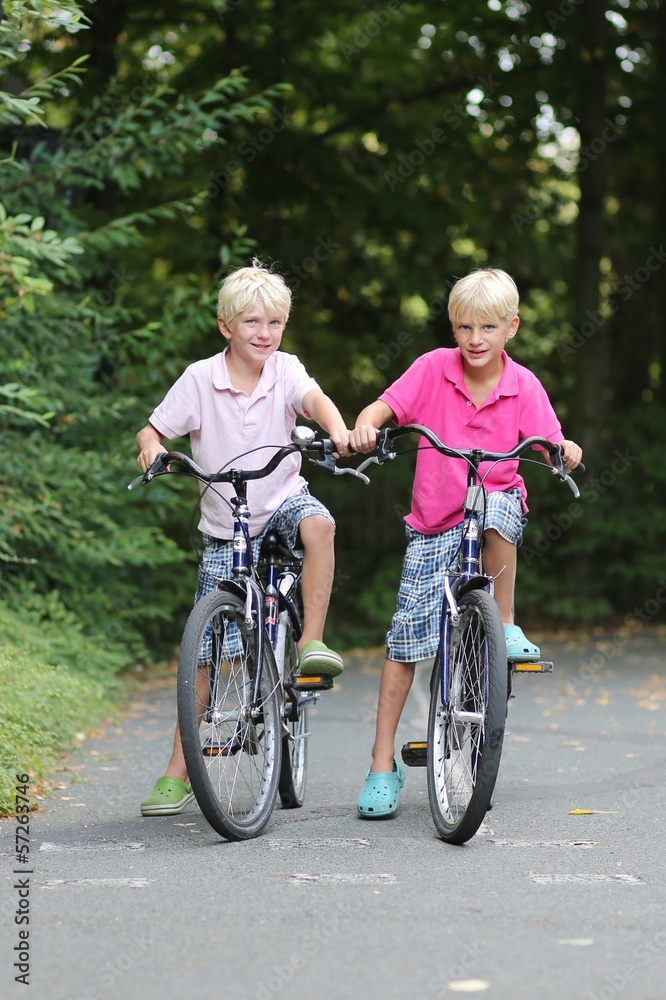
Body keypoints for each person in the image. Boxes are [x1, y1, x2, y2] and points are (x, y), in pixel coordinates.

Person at [349, 267, 583, 819]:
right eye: (463, 327)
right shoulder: (433, 369)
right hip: (434, 522)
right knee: (406, 643)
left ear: (512, 328)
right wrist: (366, 425)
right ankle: (383, 763)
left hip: (494, 503)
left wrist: (565, 449)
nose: (475, 339)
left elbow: (551, 441)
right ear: (452, 328)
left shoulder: (522, 384)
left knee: (501, 505)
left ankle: (502, 622)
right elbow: (382, 409)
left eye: (487, 327)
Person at [137, 259, 351, 816]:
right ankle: (177, 773)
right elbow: (153, 428)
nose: (265, 333)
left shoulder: (286, 369)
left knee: (320, 524)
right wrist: (153, 451)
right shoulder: (200, 378)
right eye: (252, 322)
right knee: (203, 654)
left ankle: (310, 645)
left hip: (279, 499)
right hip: (224, 522)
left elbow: (315, 401)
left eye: (275, 322)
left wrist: (337, 430)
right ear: (225, 326)